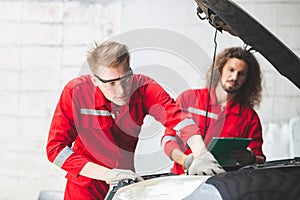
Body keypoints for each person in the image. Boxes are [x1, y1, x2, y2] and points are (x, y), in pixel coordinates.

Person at [46, 41, 225, 200]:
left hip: (125, 186)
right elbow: (56, 149)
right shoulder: (76, 93)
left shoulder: (144, 88)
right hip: (84, 187)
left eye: (125, 79)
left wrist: (200, 152)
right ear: (95, 80)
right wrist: (108, 175)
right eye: (111, 83)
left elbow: (177, 117)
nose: (122, 90)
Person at [163, 47, 266, 175]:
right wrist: (187, 161)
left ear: (247, 78)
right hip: (183, 181)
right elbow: (168, 140)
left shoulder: (250, 117)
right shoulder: (189, 99)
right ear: (220, 69)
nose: (234, 77)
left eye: (241, 73)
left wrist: (250, 158)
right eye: (231, 70)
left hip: (224, 185)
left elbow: (259, 158)